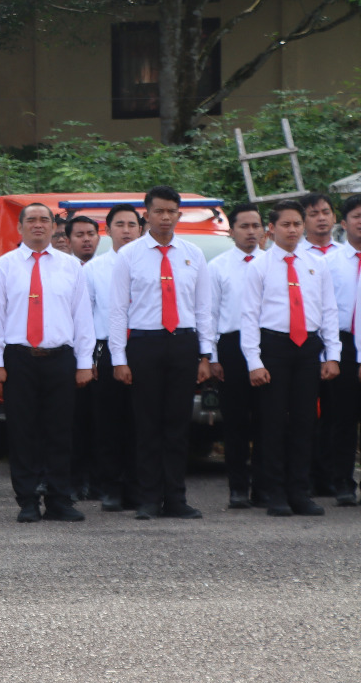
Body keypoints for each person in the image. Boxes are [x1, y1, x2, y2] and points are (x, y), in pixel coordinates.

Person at [108, 186, 216, 520]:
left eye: (171, 211)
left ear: (179, 215)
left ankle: (176, 498)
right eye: (159, 211)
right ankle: (148, 498)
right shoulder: (130, 255)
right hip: (145, 343)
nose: (165, 217)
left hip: (183, 343)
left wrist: (204, 355)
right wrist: (119, 359)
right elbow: (117, 311)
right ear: (147, 214)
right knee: (147, 425)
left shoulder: (193, 253)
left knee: (177, 425)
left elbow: (203, 308)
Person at [0, 203, 95, 522]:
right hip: (19, 359)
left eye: (44, 220)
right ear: (19, 227)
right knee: (23, 432)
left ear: (53, 227)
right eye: (30, 220)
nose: (37, 225)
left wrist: (84, 363)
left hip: (59, 358)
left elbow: (82, 318)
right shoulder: (4, 266)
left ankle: (59, 498)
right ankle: (28, 499)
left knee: (60, 431)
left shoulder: (70, 267)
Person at [241, 200, 340, 517]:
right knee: (271, 423)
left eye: (298, 223)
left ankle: (300, 492)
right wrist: (254, 361)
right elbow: (249, 316)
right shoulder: (259, 265)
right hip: (274, 347)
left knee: (304, 422)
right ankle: (275, 493)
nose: (293, 230)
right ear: (272, 228)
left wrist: (332, 355)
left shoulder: (316, 264)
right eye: (286, 224)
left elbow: (328, 312)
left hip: (308, 348)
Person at [85, 203, 144, 511]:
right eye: (119, 224)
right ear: (108, 231)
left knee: (141, 422)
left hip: (144, 346)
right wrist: (89, 360)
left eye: (131, 224)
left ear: (140, 229)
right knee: (109, 422)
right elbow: (84, 316)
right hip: (106, 349)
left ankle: (138, 487)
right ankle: (110, 488)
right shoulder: (94, 268)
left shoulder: (149, 264)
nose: (126, 230)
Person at [208, 204, 266, 508]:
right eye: (244, 226)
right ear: (231, 231)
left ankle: (264, 487)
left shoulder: (273, 263)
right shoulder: (218, 266)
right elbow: (211, 313)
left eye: (256, 226)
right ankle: (238, 488)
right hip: (231, 347)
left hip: (268, 347)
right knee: (235, 422)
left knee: (266, 421)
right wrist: (213, 356)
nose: (251, 232)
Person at [317, 194, 361, 506]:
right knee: (343, 417)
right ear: (343, 224)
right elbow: (322, 311)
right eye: (357, 216)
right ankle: (342, 482)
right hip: (342, 343)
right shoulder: (328, 263)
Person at [300, 192, 340, 496]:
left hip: (341, 344)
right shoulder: (293, 255)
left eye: (326, 212)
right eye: (314, 214)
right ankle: (304, 477)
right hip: (303, 343)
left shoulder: (343, 255)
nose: (321, 218)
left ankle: (333, 477)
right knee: (302, 414)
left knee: (336, 414)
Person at [64, 216, 100, 498]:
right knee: (73, 422)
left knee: (100, 421)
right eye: (79, 235)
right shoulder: (63, 270)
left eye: (91, 233)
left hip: (103, 354)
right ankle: (74, 481)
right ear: (68, 240)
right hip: (69, 356)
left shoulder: (109, 269)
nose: (86, 239)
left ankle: (98, 480)